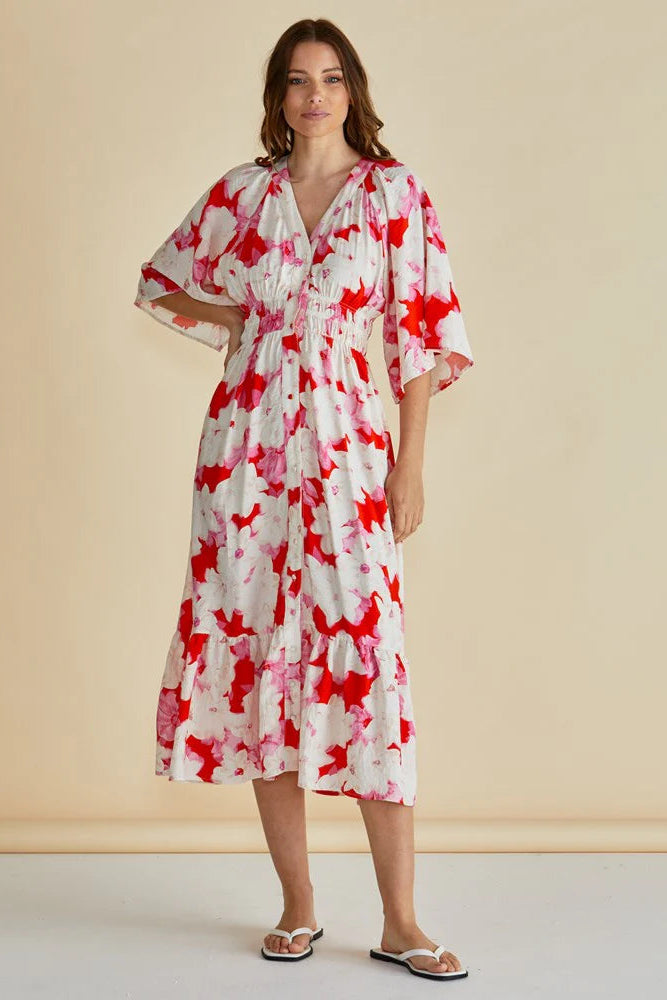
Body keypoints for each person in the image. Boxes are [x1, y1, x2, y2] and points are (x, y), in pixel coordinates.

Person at [134, 17, 473, 982]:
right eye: (295, 80)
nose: (313, 95)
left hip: (348, 456)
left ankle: (401, 920)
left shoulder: (393, 195)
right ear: (277, 97)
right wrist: (240, 313)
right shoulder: (241, 196)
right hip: (241, 457)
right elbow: (160, 284)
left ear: (351, 90)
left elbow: (419, 342)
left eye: (329, 78)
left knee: (365, 665)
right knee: (255, 667)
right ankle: (296, 905)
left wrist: (409, 466)